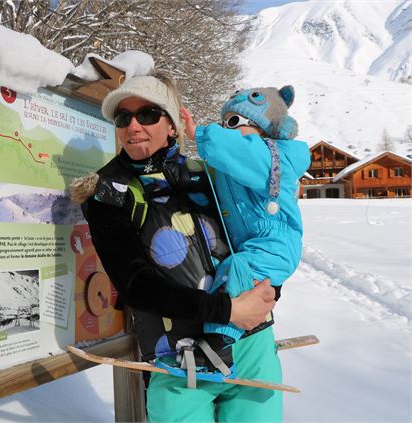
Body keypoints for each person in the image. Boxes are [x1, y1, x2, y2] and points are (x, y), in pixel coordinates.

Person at [70, 72, 281, 422]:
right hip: (178, 360)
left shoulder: (208, 173)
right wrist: (226, 310)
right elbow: (135, 284)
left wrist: (270, 292)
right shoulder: (109, 192)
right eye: (124, 118)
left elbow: (263, 238)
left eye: (149, 114)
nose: (134, 125)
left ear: (171, 124)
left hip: (251, 343)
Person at [180, 86, 310, 358]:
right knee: (240, 280)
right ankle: (246, 326)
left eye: (234, 123)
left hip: (275, 243)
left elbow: (239, 152)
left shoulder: (273, 156)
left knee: (236, 273)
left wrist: (201, 133)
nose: (227, 131)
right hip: (254, 243)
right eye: (224, 123)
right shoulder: (238, 160)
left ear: (265, 130)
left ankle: (217, 345)